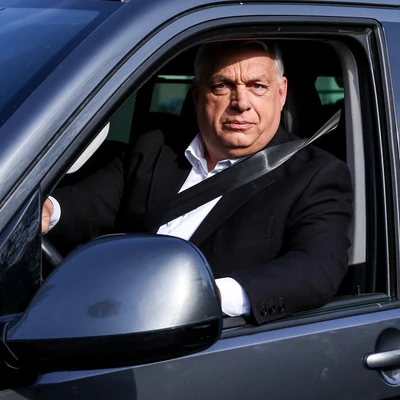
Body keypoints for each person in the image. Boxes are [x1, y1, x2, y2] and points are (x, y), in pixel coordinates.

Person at [42, 40, 353, 325]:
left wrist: (205, 296)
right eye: (223, 85)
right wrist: (49, 210)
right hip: (101, 315)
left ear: (281, 93)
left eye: (257, 86)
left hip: (198, 342)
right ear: (196, 94)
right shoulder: (156, 147)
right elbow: (92, 202)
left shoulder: (315, 175)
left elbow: (315, 269)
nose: (241, 102)